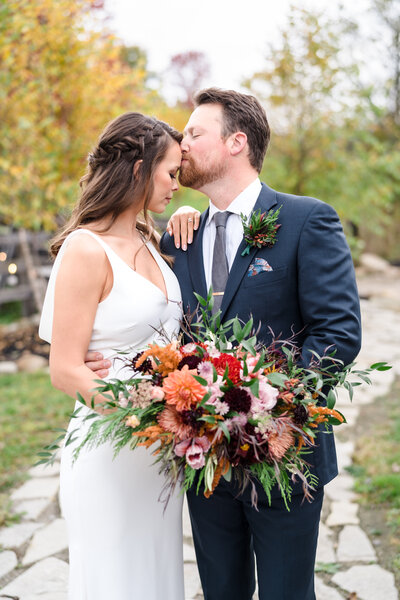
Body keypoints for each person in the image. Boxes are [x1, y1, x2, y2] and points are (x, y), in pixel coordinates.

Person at [87, 89, 362, 600]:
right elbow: (155, 323)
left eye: (194, 133)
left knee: (287, 593)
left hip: (285, 457)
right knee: (221, 591)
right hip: (202, 460)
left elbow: (338, 333)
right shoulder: (176, 237)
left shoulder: (306, 220)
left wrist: (272, 413)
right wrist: (106, 355)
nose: (182, 145)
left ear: (236, 142)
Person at [39, 112, 199, 600]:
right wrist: (137, 413)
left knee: (156, 576)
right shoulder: (86, 250)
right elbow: (65, 368)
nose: (178, 184)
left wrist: (190, 218)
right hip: (112, 447)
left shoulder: (152, 240)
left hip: (159, 454)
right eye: (171, 172)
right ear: (137, 168)